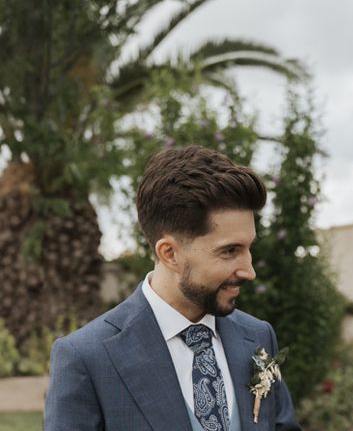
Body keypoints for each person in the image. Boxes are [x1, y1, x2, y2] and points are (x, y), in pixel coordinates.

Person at [45, 145, 301, 431]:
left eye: (248, 248)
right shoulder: (86, 359)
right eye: (229, 251)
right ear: (170, 254)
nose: (249, 271)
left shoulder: (258, 336)